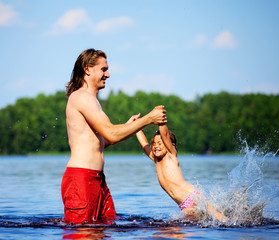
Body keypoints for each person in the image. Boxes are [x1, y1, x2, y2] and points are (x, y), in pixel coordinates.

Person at [61, 48, 167, 224]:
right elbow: (111, 134)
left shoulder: (90, 100)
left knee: (107, 227)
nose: (108, 74)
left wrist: (128, 126)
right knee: (84, 232)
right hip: (81, 179)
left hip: (97, 180)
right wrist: (148, 119)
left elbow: (102, 142)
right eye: (103, 69)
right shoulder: (81, 98)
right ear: (87, 69)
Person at [134, 112, 227, 222]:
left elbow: (165, 135)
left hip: (192, 197)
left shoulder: (171, 156)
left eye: (160, 143)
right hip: (184, 205)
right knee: (182, 228)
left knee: (216, 216)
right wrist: (137, 126)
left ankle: (235, 223)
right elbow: (144, 144)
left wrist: (160, 120)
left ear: (172, 145)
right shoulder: (156, 160)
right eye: (154, 143)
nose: (156, 146)